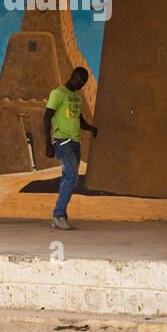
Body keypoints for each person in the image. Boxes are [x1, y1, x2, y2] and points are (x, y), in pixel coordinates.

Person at [43, 67, 98, 230]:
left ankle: (61, 216)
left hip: (75, 142)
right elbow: (47, 117)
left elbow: (78, 120)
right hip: (62, 141)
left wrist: (91, 128)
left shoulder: (76, 97)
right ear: (72, 75)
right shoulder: (58, 93)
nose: (80, 84)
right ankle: (58, 215)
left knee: (70, 179)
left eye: (84, 82)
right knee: (71, 176)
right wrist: (48, 143)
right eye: (79, 79)